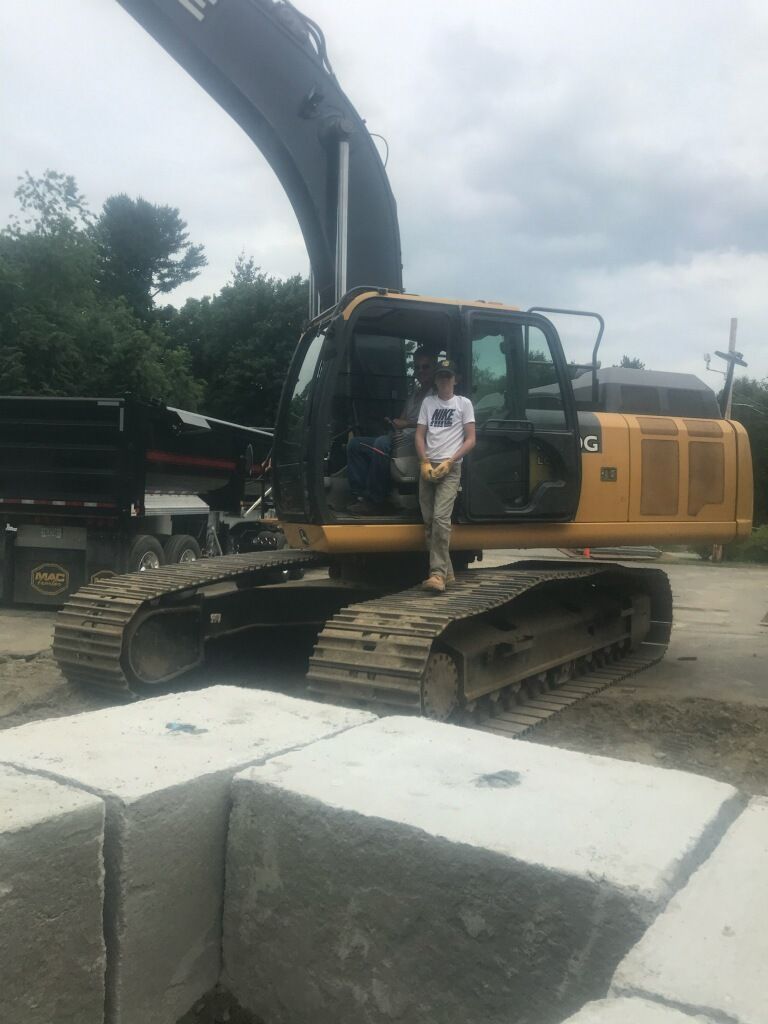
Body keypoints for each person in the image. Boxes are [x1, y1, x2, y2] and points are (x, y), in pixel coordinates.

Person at [346, 349, 437, 515]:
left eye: (426, 367)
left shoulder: (437, 395)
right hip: (401, 438)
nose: (421, 371)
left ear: (434, 368)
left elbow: (435, 424)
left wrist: (406, 423)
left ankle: (375, 500)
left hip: (418, 442)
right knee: (355, 444)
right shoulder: (414, 395)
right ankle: (360, 497)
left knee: (381, 443)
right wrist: (394, 424)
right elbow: (401, 419)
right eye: (417, 368)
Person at [415, 358, 476, 592]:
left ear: (455, 380)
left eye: (448, 376)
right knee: (430, 523)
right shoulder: (428, 403)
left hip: (450, 469)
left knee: (441, 519)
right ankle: (447, 572)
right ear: (436, 379)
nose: (444, 380)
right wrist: (425, 462)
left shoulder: (463, 404)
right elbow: (420, 435)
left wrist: (451, 461)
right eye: (440, 376)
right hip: (429, 467)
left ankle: (437, 575)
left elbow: (471, 439)